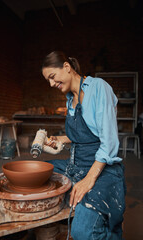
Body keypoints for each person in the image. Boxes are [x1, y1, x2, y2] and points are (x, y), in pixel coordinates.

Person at [41, 51, 126, 240]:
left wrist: (88, 180)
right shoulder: (70, 98)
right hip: (76, 163)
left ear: (66, 67)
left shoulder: (98, 88)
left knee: (82, 232)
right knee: (43, 170)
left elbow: (109, 141)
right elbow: (87, 133)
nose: (51, 84)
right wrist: (61, 139)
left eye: (52, 77)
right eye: (48, 80)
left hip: (102, 168)